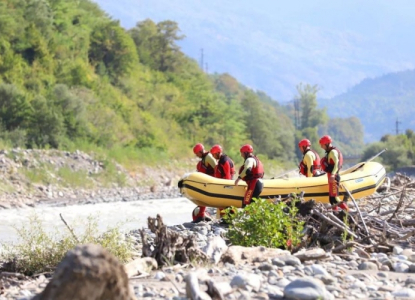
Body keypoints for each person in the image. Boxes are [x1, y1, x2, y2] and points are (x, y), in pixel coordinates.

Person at [319, 135, 349, 211]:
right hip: (332, 177)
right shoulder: (331, 152)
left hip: (334, 177)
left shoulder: (333, 152)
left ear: (326, 144)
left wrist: (332, 174)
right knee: (332, 199)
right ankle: (335, 213)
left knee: (335, 198)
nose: (321, 147)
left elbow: (337, 163)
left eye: (322, 145)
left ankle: (347, 211)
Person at [191, 143, 217, 222]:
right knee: (202, 198)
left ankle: (201, 214)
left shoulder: (208, 157)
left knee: (203, 198)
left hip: (210, 181)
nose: (197, 155)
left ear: (200, 151)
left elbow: (216, 167)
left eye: (197, 154)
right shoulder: (204, 158)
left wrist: (214, 181)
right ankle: (201, 214)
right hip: (206, 181)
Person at [210, 144, 236, 219]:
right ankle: (224, 218)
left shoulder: (225, 161)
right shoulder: (221, 160)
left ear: (218, 153)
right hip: (222, 184)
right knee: (221, 203)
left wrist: (226, 187)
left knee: (225, 203)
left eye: (213, 155)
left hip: (226, 185)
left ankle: (227, 218)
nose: (213, 156)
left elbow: (227, 175)